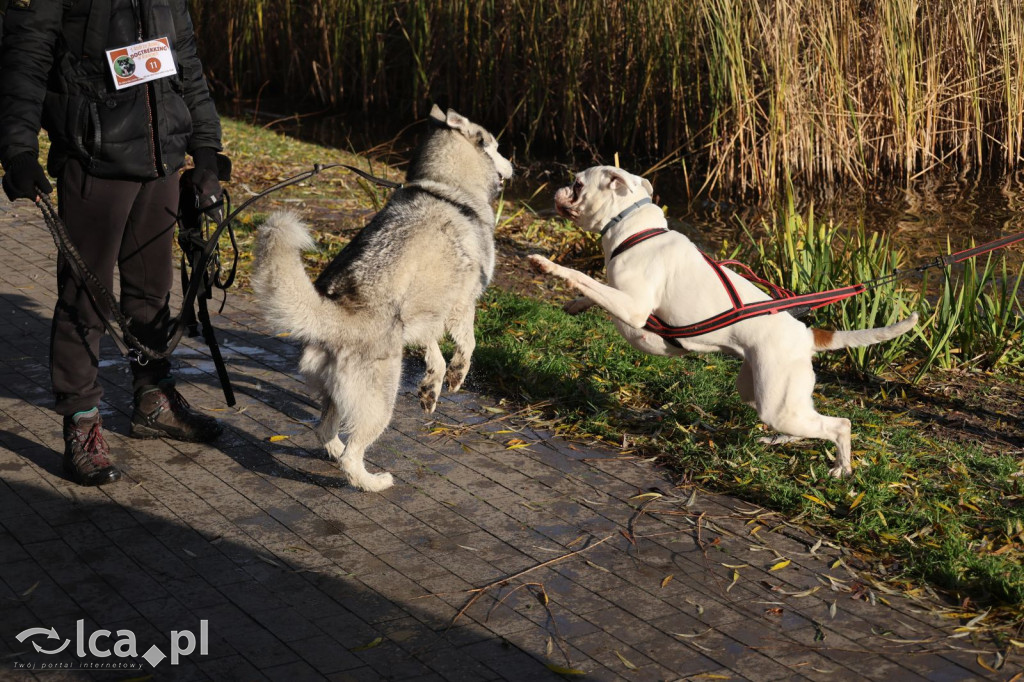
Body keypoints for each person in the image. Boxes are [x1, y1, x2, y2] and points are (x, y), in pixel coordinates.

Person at [0, 0, 228, 486]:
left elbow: (185, 59)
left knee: (152, 291)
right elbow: (25, 57)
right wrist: (17, 149)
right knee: (85, 300)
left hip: (162, 160)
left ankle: (154, 399)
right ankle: (82, 421)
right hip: (93, 157)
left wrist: (206, 147)